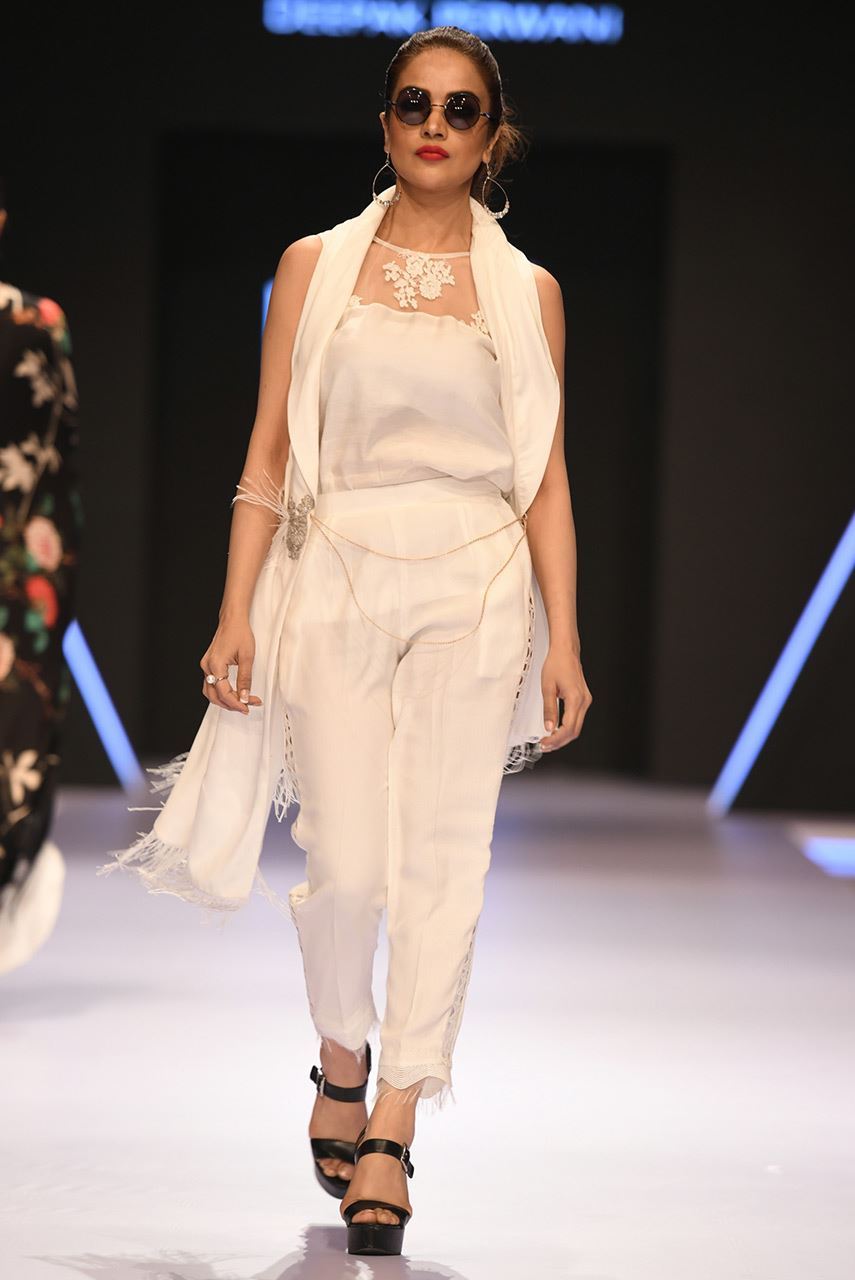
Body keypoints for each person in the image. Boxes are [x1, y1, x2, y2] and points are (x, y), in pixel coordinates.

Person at [99, 27, 592, 1257]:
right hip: (335, 576)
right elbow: (268, 452)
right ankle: (340, 1048)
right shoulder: (314, 267)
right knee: (351, 860)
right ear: (383, 124)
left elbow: (544, 478)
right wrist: (235, 608)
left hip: (480, 585)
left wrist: (566, 638)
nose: (435, 124)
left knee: (445, 858)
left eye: (462, 109)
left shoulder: (530, 292)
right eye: (414, 103)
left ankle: (396, 1117)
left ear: (493, 136)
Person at [0, 175, 82, 975]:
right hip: (21, 572)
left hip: (14, 576)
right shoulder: (34, 320)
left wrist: (50, 590)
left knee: (12, 747)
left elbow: (55, 466)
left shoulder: (34, 320)